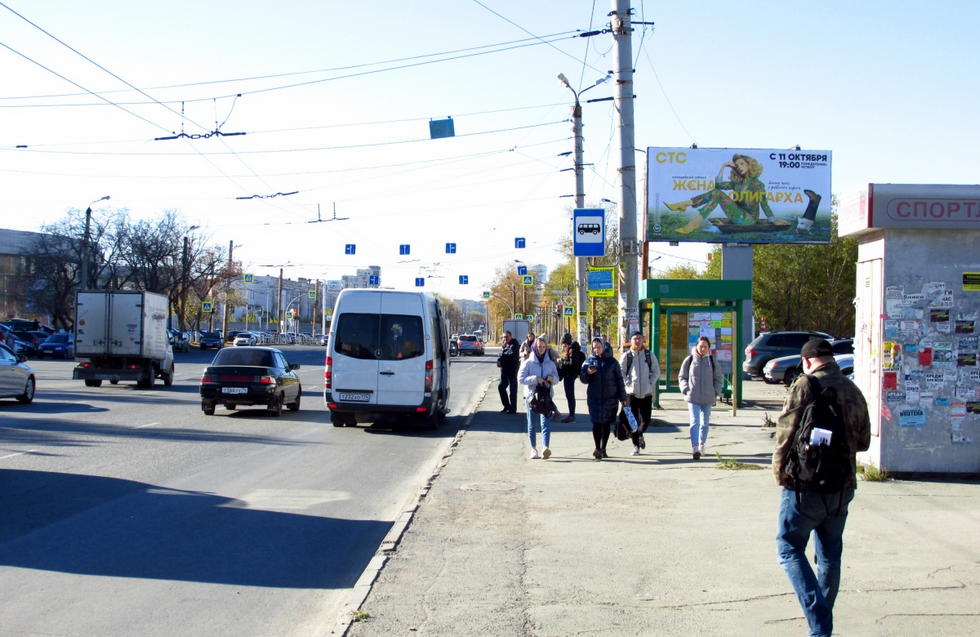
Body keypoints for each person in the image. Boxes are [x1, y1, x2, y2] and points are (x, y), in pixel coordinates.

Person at [772, 338, 871, 637]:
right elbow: (864, 442)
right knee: (829, 555)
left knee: (788, 548)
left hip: (805, 485)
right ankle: (822, 620)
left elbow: (786, 431)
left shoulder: (805, 385)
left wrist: (779, 472)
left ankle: (819, 625)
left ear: (807, 361)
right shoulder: (852, 389)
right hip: (842, 486)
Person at [665, 154, 791, 234]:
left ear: (749, 165)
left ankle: (690, 218)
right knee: (717, 192)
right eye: (737, 165)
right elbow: (718, 186)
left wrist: (773, 221)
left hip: (749, 220)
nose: (739, 167)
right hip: (737, 216)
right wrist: (723, 167)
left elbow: (764, 205)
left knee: (718, 195)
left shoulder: (757, 184)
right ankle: (686, 208)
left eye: (742, 164)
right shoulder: (737, 183)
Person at [580, 338, 628, 461]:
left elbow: (619, 381)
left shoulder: (612, 363)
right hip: (594, 398)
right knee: (596, 423)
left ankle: (603, 448)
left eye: (598, 347)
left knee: (606, 424)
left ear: (604, 347)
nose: (596, 350)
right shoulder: (589, 361)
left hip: (610, 398)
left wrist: (623, 397)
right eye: (594, 347)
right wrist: (588, 373)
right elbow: (583, 379)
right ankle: (597, 448)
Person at [678, 336, 723, 460]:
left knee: (705, 423)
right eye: (701, 346)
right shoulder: (690, 359)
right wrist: (685, 389)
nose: (703, 348)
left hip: (708, 397)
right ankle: (695, 447)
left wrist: (716, 392)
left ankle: (702, 443)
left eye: (705, 346)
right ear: (696, 346)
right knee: (695, 422)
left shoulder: (712, 361)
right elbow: (682, 376)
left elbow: (718, 378)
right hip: (693, 397)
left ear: (708, 348)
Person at [518, 336, 559, 459]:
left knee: (545, 422)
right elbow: (520, 379)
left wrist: (552, 379)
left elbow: (557, 379)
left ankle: (545, 447)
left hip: (546, 396)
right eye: (539, 347)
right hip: (531, 397)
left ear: (546, 348)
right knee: (532, 424)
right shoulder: (528, 363)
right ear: (534, 347)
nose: (541, 349)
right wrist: (535, 379)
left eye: (543, 347)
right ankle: (533, 449)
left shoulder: (550, 363)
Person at [620, 331, 661, 456]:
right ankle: (636, 446)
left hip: (646, 393)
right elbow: (620, 371)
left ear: (643, 340)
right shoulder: (627, 356)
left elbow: (656, 371)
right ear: (631, 341)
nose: (637, 341)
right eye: (635, 339)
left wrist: (650, 382)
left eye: (639, 338)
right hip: (631, 393)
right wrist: (627, 383)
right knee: (632, 422)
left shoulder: (649, 355)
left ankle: (639, 434)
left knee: (646, 420)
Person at [556, 333, 585, 423]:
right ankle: (571, 415)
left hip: (570, 376)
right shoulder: (571, 350)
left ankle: (572, 415)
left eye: (563, 344)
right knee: (569, 396)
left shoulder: (572, 350)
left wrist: (562, 361)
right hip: (569, 375)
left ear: (567, 343)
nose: (563, 346)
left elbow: (572, 364)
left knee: (570, 396)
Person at [496, 330, 520, 414]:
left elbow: (509, 356)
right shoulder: (504, 345)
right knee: (501, 387)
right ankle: (506, 406)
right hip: (504, 372)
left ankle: (513, 409)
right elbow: (500, 356)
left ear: (511, 336)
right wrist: (498, 361)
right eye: (503, 337)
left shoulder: (515, 345)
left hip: (512, 371)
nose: (505, 338)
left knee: (513, 390)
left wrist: (501, 361)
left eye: (506, 337)